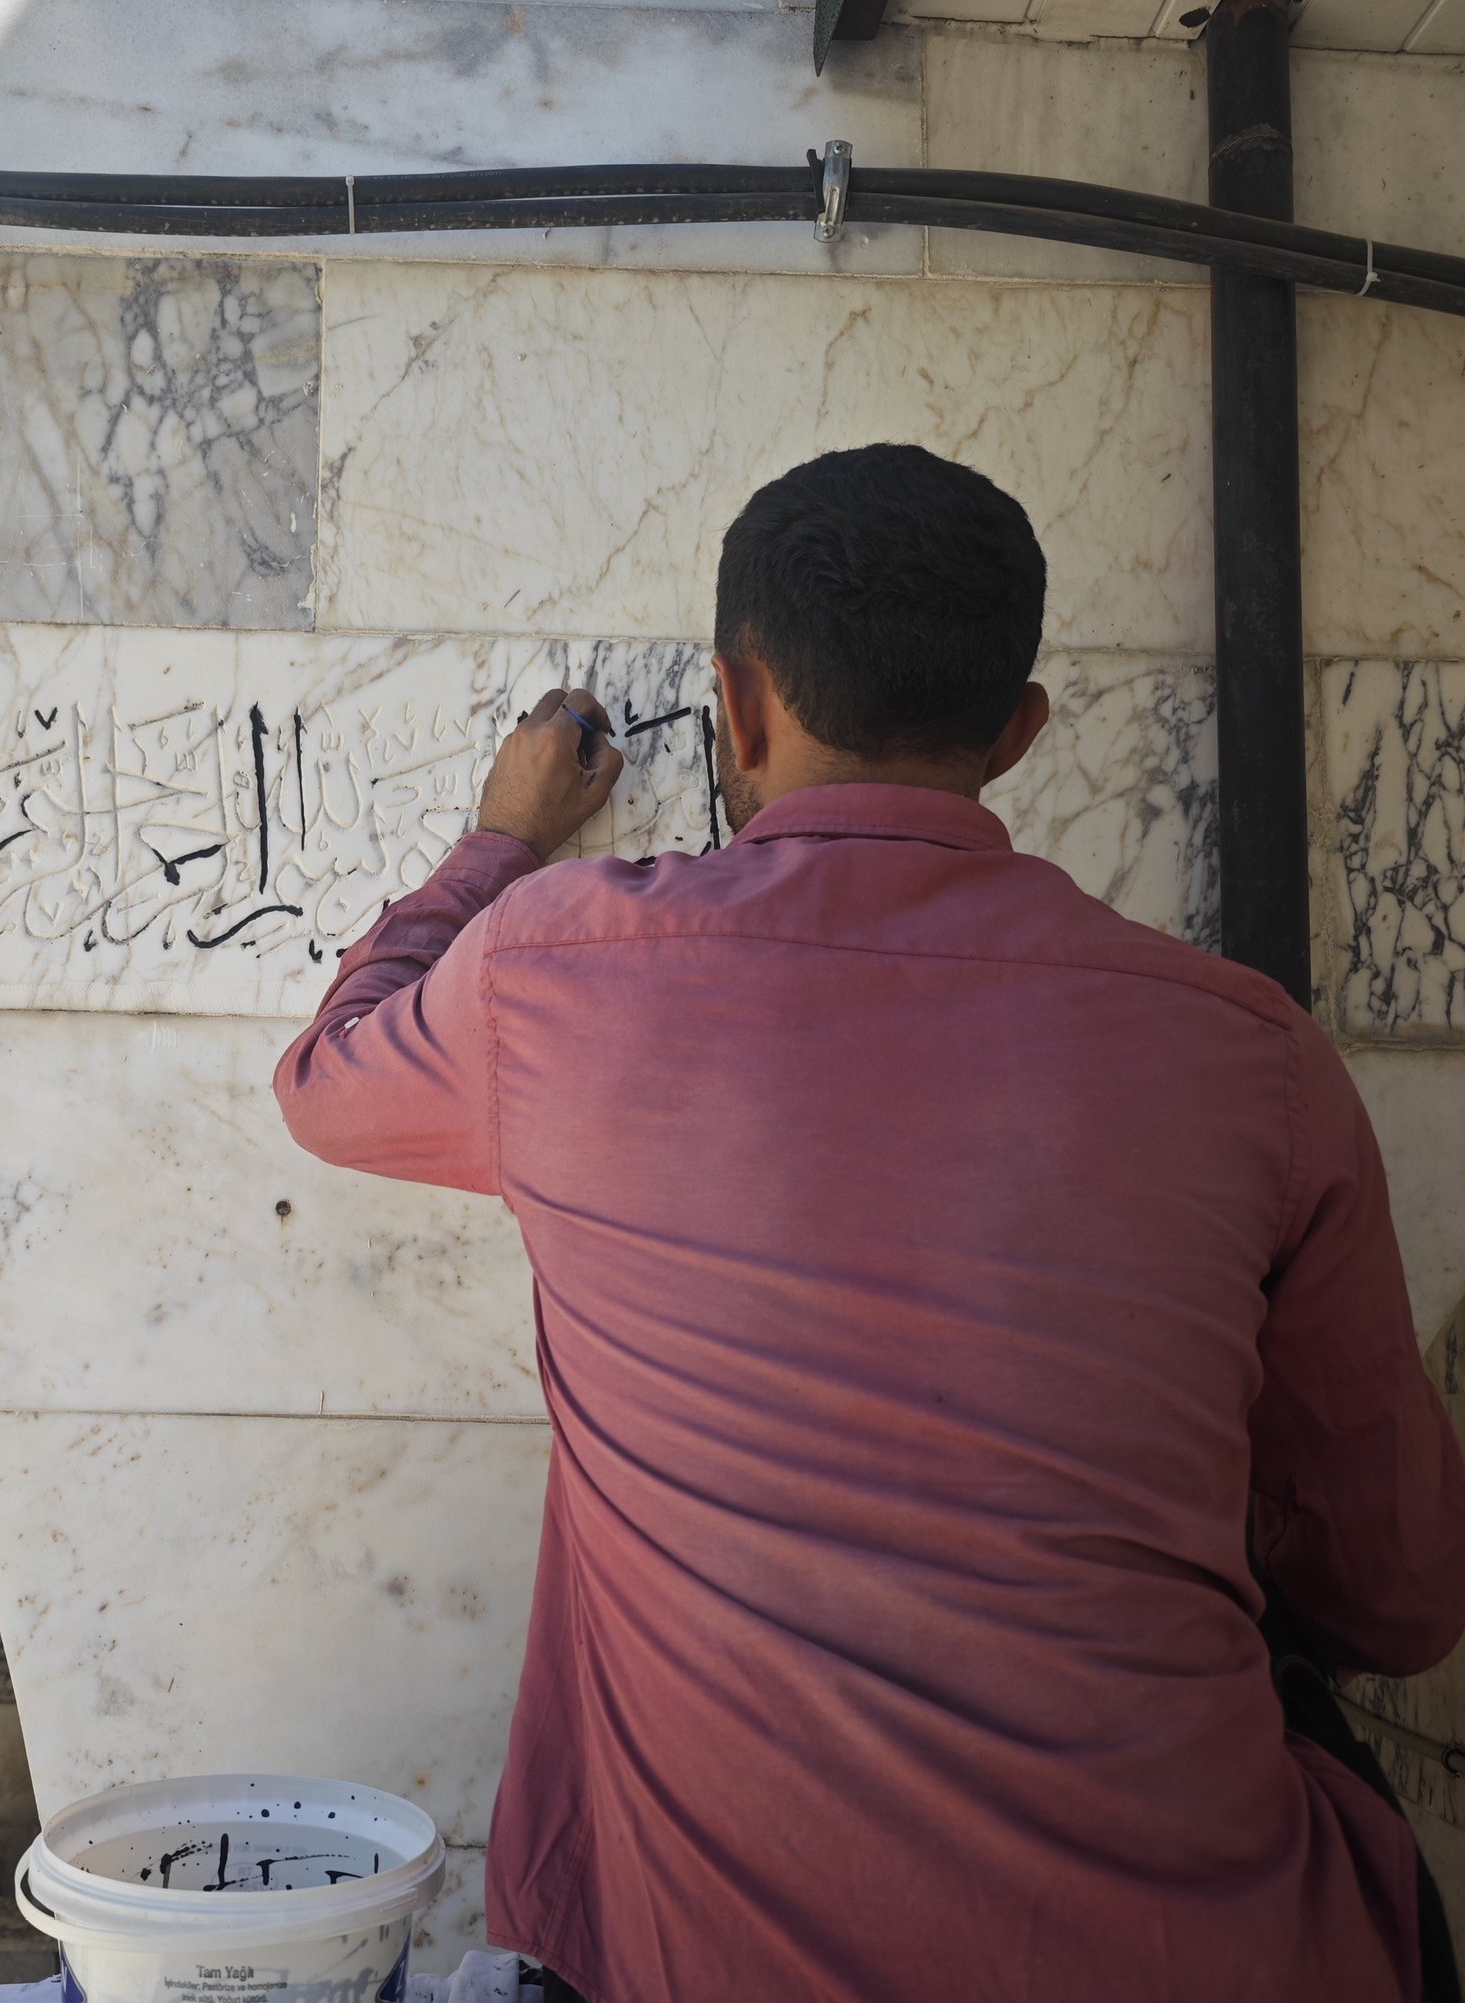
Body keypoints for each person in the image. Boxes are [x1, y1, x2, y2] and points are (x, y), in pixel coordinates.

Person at [273, 444, 1465, 2003]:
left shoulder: (558, 973)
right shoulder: (1255, 1055)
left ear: (738, 706)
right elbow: (1401, 1594)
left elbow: (326, 1075)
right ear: (1021, 733)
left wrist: (503, 839)